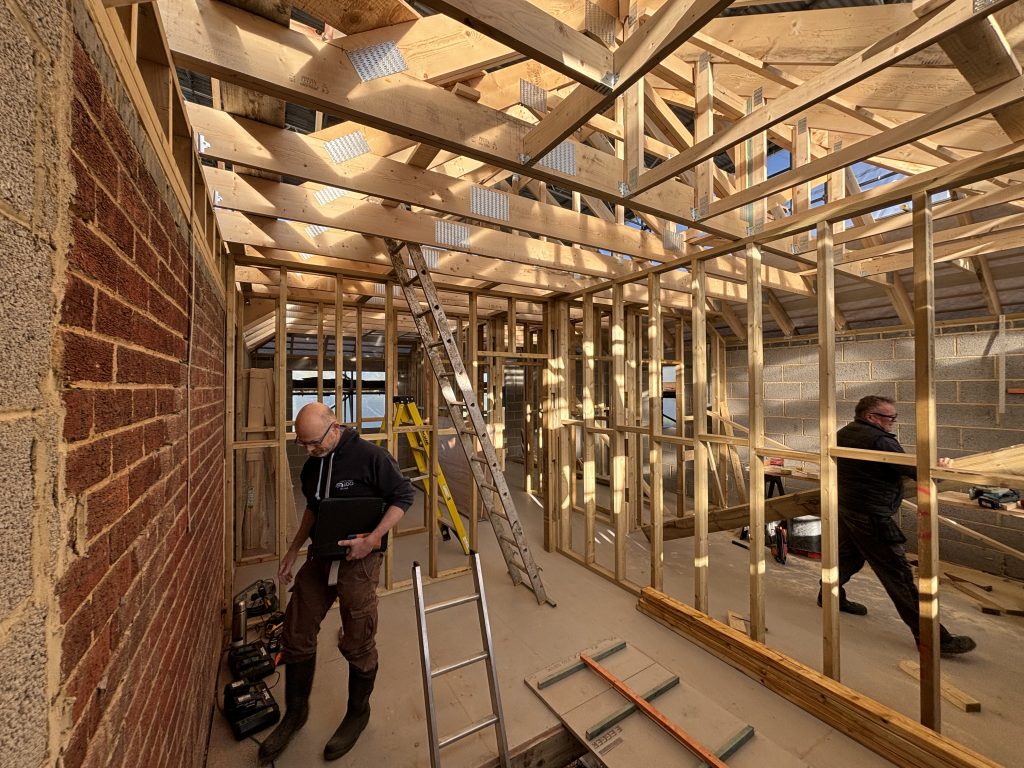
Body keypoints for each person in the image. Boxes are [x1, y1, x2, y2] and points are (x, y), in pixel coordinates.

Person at [259, 402, 415, 764]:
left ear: (334, 428)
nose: (308, 451)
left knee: (357, 636)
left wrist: (372, 538)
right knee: (296, 630)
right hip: (322, 553)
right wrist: (293, 551)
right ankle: (296, 714)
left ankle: (358, 713)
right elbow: (313, 510)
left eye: (313, 443)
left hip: (359, 556)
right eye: (303, 445)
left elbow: (403, 497)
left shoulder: (371, 457)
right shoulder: (314, 466)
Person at [818, 395, 976, 655]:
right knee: (899, 575)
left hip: (849, 507)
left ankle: (828, 595)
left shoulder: (845, 432)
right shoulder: (880, 441)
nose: (892, 422)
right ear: (871, 417)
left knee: (848, 557)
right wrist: (941, 467)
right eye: (889, 417)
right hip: (871, 514)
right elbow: (917, 472)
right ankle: (934, 638)